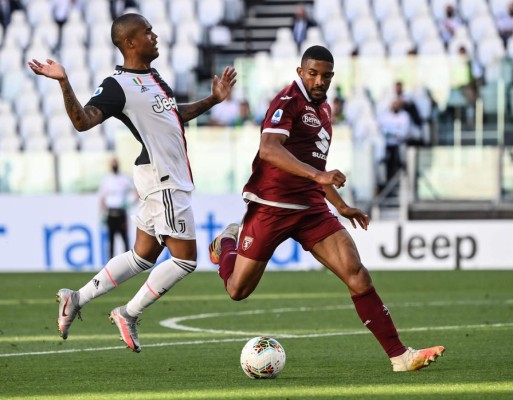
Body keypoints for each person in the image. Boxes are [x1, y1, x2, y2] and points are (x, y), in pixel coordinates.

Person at [208, 46, 445, 372]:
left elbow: (312, 165)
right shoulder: (287, 102)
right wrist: (319, 175)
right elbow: (268, 149)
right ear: (300, 71)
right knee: (237, 290)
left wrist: (341, 205)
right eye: (313, 73)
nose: (320, 80)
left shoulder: (324, 110)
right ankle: (227, 244)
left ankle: (400, 356)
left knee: (356, 273)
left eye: (327, 75)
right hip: (272, 206)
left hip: (311, 207)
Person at [28, 13, 237, 353]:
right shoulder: (117, 85)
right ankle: (129, 313)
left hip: (165, 176)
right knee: (185, 260)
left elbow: (173, 114)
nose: (155, 36)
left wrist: (213, 100)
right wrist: (64, 81)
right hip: (163, 177)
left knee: (143, 256)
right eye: (147, 32)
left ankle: (76, 298)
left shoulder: (153, 78)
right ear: (129, 42)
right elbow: (83, 121)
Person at [98, 157, 135, 261]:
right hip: (110, 213)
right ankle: (110, 262)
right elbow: (102, 198)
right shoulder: (107, 180)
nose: (114, 165)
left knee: (124, 239)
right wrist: (101, 213)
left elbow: (136, 190)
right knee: (111, 240)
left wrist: (131, 203)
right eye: (112, 163)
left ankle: (128, 262)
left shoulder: (124, 178)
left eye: (115, 163)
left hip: (121, 213)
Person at [378, 99, 411, 186]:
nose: (395, 106)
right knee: (388, 166)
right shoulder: (385, 116)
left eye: (396, 104)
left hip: (399, 145)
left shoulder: (404, 116)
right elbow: (381, 128)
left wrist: (393, 133)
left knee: (399, 165)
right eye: (393, 104)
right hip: (387, 146)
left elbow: (404, 132)